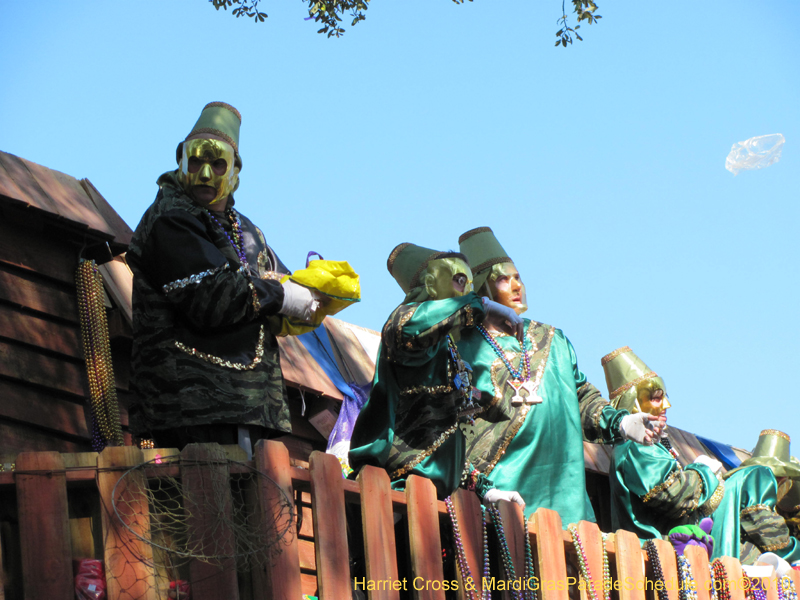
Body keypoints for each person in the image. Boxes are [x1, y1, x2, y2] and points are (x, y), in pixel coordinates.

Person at [128, 102, 320, 452]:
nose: (204, 174)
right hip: (191, 408)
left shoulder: (248, 230)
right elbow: (211, 297)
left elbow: (280, 282)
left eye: (216, 163)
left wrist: (313, 293)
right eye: (196, 161)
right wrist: (281, 296)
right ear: (181, 161)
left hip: (250, 406)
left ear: (235, 169)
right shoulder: (169, 218)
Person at [455, 227, 659, 524]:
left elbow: (580, 397)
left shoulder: (552, 339)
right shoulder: (462, 345)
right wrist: (480, 488)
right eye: (502, 279)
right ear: (482, 288)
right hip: (502, 496)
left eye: (518, 277)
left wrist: (621, 422)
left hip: (568, 502)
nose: (516, 287)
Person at [349, 242, 525, 502]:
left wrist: (484, 489)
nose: (466, 292)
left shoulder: (448, 348)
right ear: (431, 284)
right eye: (459, 280)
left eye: (470, 287)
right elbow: (412, 330)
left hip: (434, 502)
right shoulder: (405, 321)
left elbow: (442, 433)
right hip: (393, 492)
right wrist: (482, 306)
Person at [603, 347, 800, 562]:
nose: (667, 405)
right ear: (635, 403)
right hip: (651, 557)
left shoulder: (651, 447)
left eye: (665, 397)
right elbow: (674, 495)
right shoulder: (635, 447)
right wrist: (702, 469)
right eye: (657, 398)